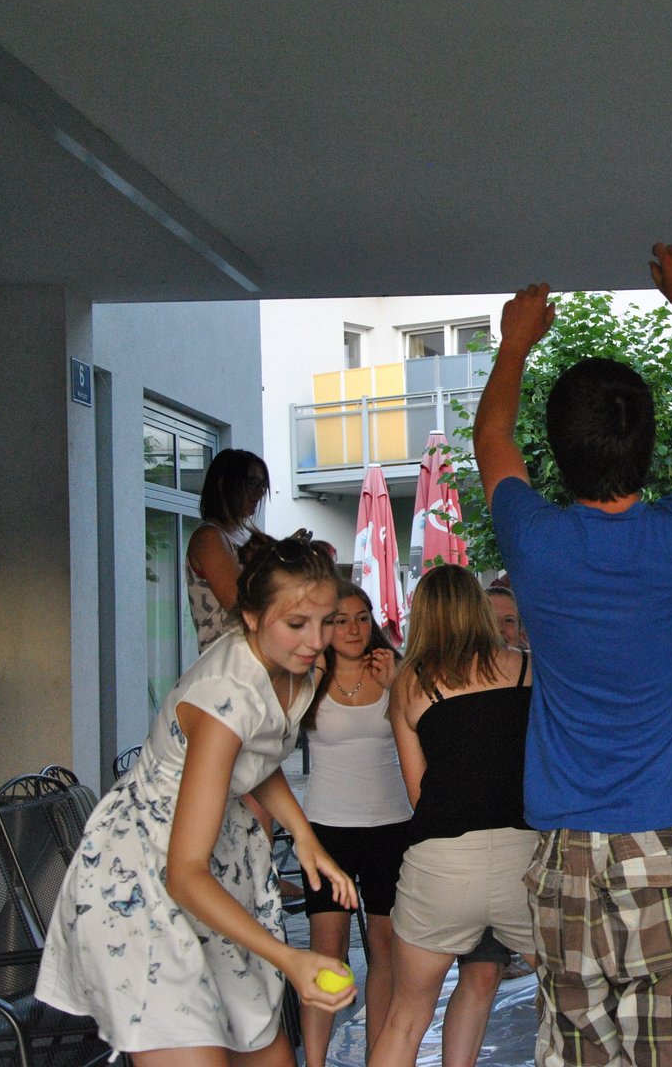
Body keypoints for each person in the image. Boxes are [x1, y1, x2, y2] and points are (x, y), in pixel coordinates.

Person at [475, 242, 672, 1066]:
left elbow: (491, 434)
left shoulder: (534, 540)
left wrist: (515, 342)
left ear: (557, 450)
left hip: (566, 854)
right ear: (648, 445)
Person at [36, 530, 359, 1064]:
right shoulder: (224, 698)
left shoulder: (300, 667)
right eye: (297, 623)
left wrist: (303, 834)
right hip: (145, 877)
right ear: (251, 617)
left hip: (219, 866)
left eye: (327, 621)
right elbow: (183, 874)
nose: (315, 640)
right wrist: (291, 959)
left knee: (268, 1054)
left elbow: (256, 757)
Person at [371, 564, 538, 1067]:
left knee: (405, 1019)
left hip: (441, 861)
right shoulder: (527, 668)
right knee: (571, 1003)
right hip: (524, 856)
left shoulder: (408, 684)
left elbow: (418, 793)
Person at [296, 582, 402, 1067]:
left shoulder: (393, 669)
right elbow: (275, 734)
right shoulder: (306, 674)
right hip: (326, 830)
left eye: (362, 617)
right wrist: (313, 672)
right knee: (328, 950)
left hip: (391, 826)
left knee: (385, 947)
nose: (354, 629)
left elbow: (426, 730)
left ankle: (379, 1056)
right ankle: (315, 1061)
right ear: (324, 626)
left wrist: (396, 685)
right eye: (341, 620)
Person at [187, 448, 271, 654]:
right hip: (228, 661)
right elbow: (239, 604)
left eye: (262, 485)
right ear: (223, 483)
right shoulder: (209, 537)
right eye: (252, 483)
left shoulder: (244, 535)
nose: (260, 492)